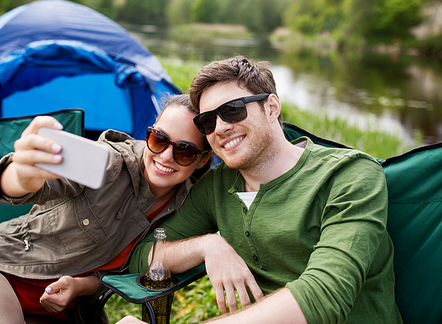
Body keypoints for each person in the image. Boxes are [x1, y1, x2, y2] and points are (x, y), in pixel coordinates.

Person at [125, 56, 403, 323]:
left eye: (233, 110)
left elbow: (326, 296)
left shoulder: (350, 175)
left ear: (271, 108)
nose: (220, 128)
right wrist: (206, 245)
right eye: (208, 121)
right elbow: (144, 256)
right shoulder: (217, 186)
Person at [0, 94, 212, 324]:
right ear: (149, 132)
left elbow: (128, 270)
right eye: (159, 138)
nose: (165, 156)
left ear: (202, 160)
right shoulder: (109, 162)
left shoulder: (189, 205)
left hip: (65, 309)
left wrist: (80, 285)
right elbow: (25, 185)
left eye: (185, 151)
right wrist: (22, 175)